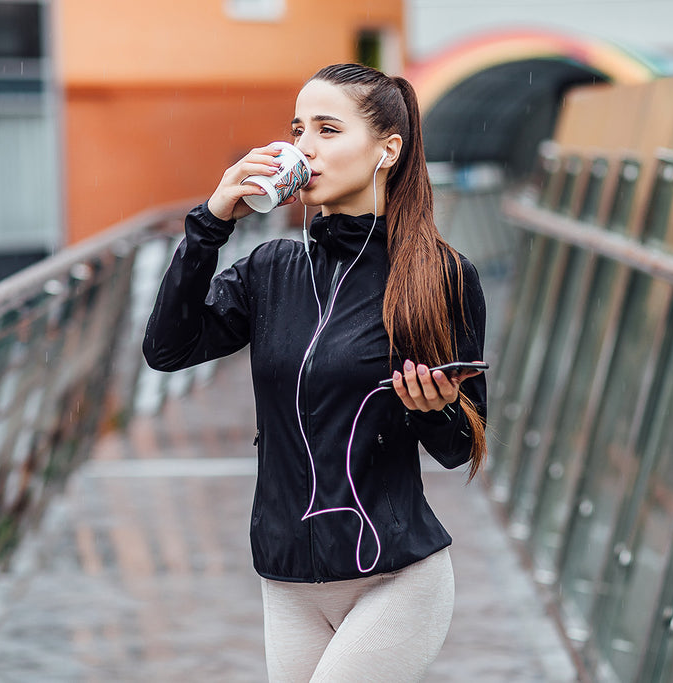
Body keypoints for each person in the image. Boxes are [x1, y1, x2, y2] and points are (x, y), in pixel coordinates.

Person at [143, 63, 487, 682]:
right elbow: (168, 349)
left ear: (388, 149)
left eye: (328, 129)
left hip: (396, 578)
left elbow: (460, 447)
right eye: (298, 129)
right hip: (288, 579)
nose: (304, 147)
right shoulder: (270, 270)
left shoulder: (440, 276)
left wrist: (432, 408)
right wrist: (211, 223)